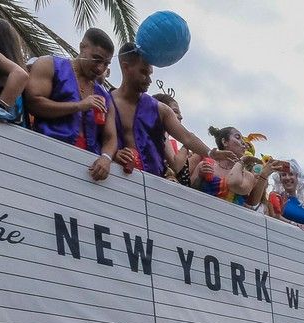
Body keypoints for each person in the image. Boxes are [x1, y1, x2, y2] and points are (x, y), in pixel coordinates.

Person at [25, 28, 119, 182]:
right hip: (46, 156)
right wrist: (78, 106)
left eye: (106, 63)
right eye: (96, 59)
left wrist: (106, 158)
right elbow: (33, 103)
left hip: (87, 172)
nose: (100, 68)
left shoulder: (104, 96)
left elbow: (111, 137)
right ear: (82, 47)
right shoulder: (49, 65)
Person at [111, 43, 211, 178]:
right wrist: (113, 154)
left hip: (153, 182)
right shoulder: (107, 100)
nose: (149, 80)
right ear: (126, 67)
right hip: (114, 177)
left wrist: (213, 153)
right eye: (143, 72)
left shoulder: (159, 109)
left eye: (150, 73)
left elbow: (187, 137)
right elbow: (98, 137)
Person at [196, 125, 267, 206]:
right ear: (224, 142)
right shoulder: (205, 164)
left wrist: (241, 161)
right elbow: (190, 188)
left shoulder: (248, 176)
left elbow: (238, 187)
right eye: (237, 137)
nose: (244, 143)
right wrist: (199, 175)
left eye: (243, 139)